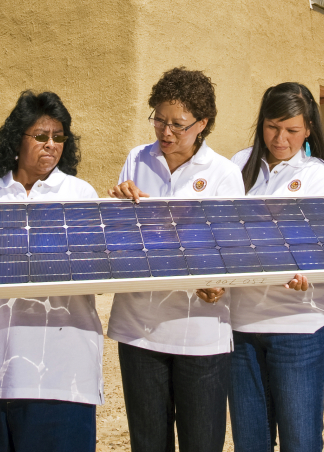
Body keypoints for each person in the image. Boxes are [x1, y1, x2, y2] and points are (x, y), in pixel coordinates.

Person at [0, 90, 104, 452]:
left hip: (60, 379)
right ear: (16, 139)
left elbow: (97, 264)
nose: (51, 145)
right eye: (41, 136)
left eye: (59, 137)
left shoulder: (80, 195)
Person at [107, 67, 246, 452]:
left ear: (202, 124)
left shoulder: (223, 174)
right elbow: (122, 238)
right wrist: (119, 204)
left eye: (179, 125)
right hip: (138, 329)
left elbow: (231, 250)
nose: (166, 133)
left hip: (199, 334)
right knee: (148, 443)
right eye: (159, 120)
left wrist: (218, 282)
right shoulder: (137, 159)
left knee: (202, 442)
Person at [227, 83, 324, 452]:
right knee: (251, 443)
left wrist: (309, 268)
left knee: (300, 442)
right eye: (273, 127)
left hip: (300, 327)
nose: (281, 139)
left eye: (292, 130)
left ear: (308, 129)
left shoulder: (317, 174)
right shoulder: (238, 165)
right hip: (240, 327)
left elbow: (323, 245)